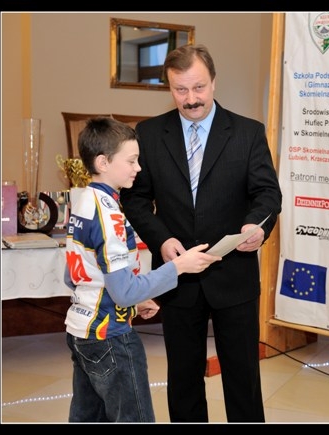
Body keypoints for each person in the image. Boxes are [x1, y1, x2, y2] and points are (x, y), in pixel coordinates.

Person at [120, 43, 282, 423]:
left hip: (234, 275)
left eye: (199, 87)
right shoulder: (149, 133)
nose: (191, 99)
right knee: (183, 380)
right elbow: (136, 200)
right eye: (181, 89)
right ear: (169, 87)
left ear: (214, 82)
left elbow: (267, 194)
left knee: (243, 379)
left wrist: (256, 226)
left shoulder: (247, 133)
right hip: (177, 277)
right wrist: (161, 239)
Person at [64, 117, 221, 422]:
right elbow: (123, 293)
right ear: (103, 162)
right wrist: (179, 267)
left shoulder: (83, 201)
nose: (138, 168)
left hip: (80, 330)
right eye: (131, 160)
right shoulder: (109, 216)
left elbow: (76, 276)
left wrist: (135, 300)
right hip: (110, 336)